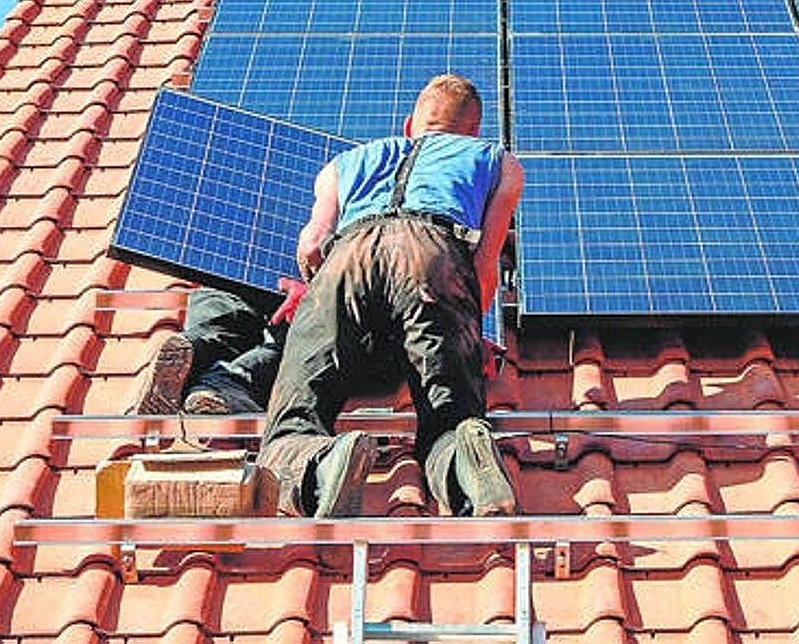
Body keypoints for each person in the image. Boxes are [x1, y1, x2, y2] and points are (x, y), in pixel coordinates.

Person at [257, 73, 523, 519]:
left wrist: (332, 316)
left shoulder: (343, 164)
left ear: (409, 125)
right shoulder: (498, 161)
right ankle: (468, 465)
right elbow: (484, 268)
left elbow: (310, 243)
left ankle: (319, 464)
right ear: (474, 130)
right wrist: (463, 333)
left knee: (294, 413)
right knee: (447, 415)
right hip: (433, 250)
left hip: (347, 253)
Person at [127, 288, 286, 415]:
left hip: (215, 292)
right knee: (287, 342)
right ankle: (218, 387)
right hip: (282, 295)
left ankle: (193, 347)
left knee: (223, 334)